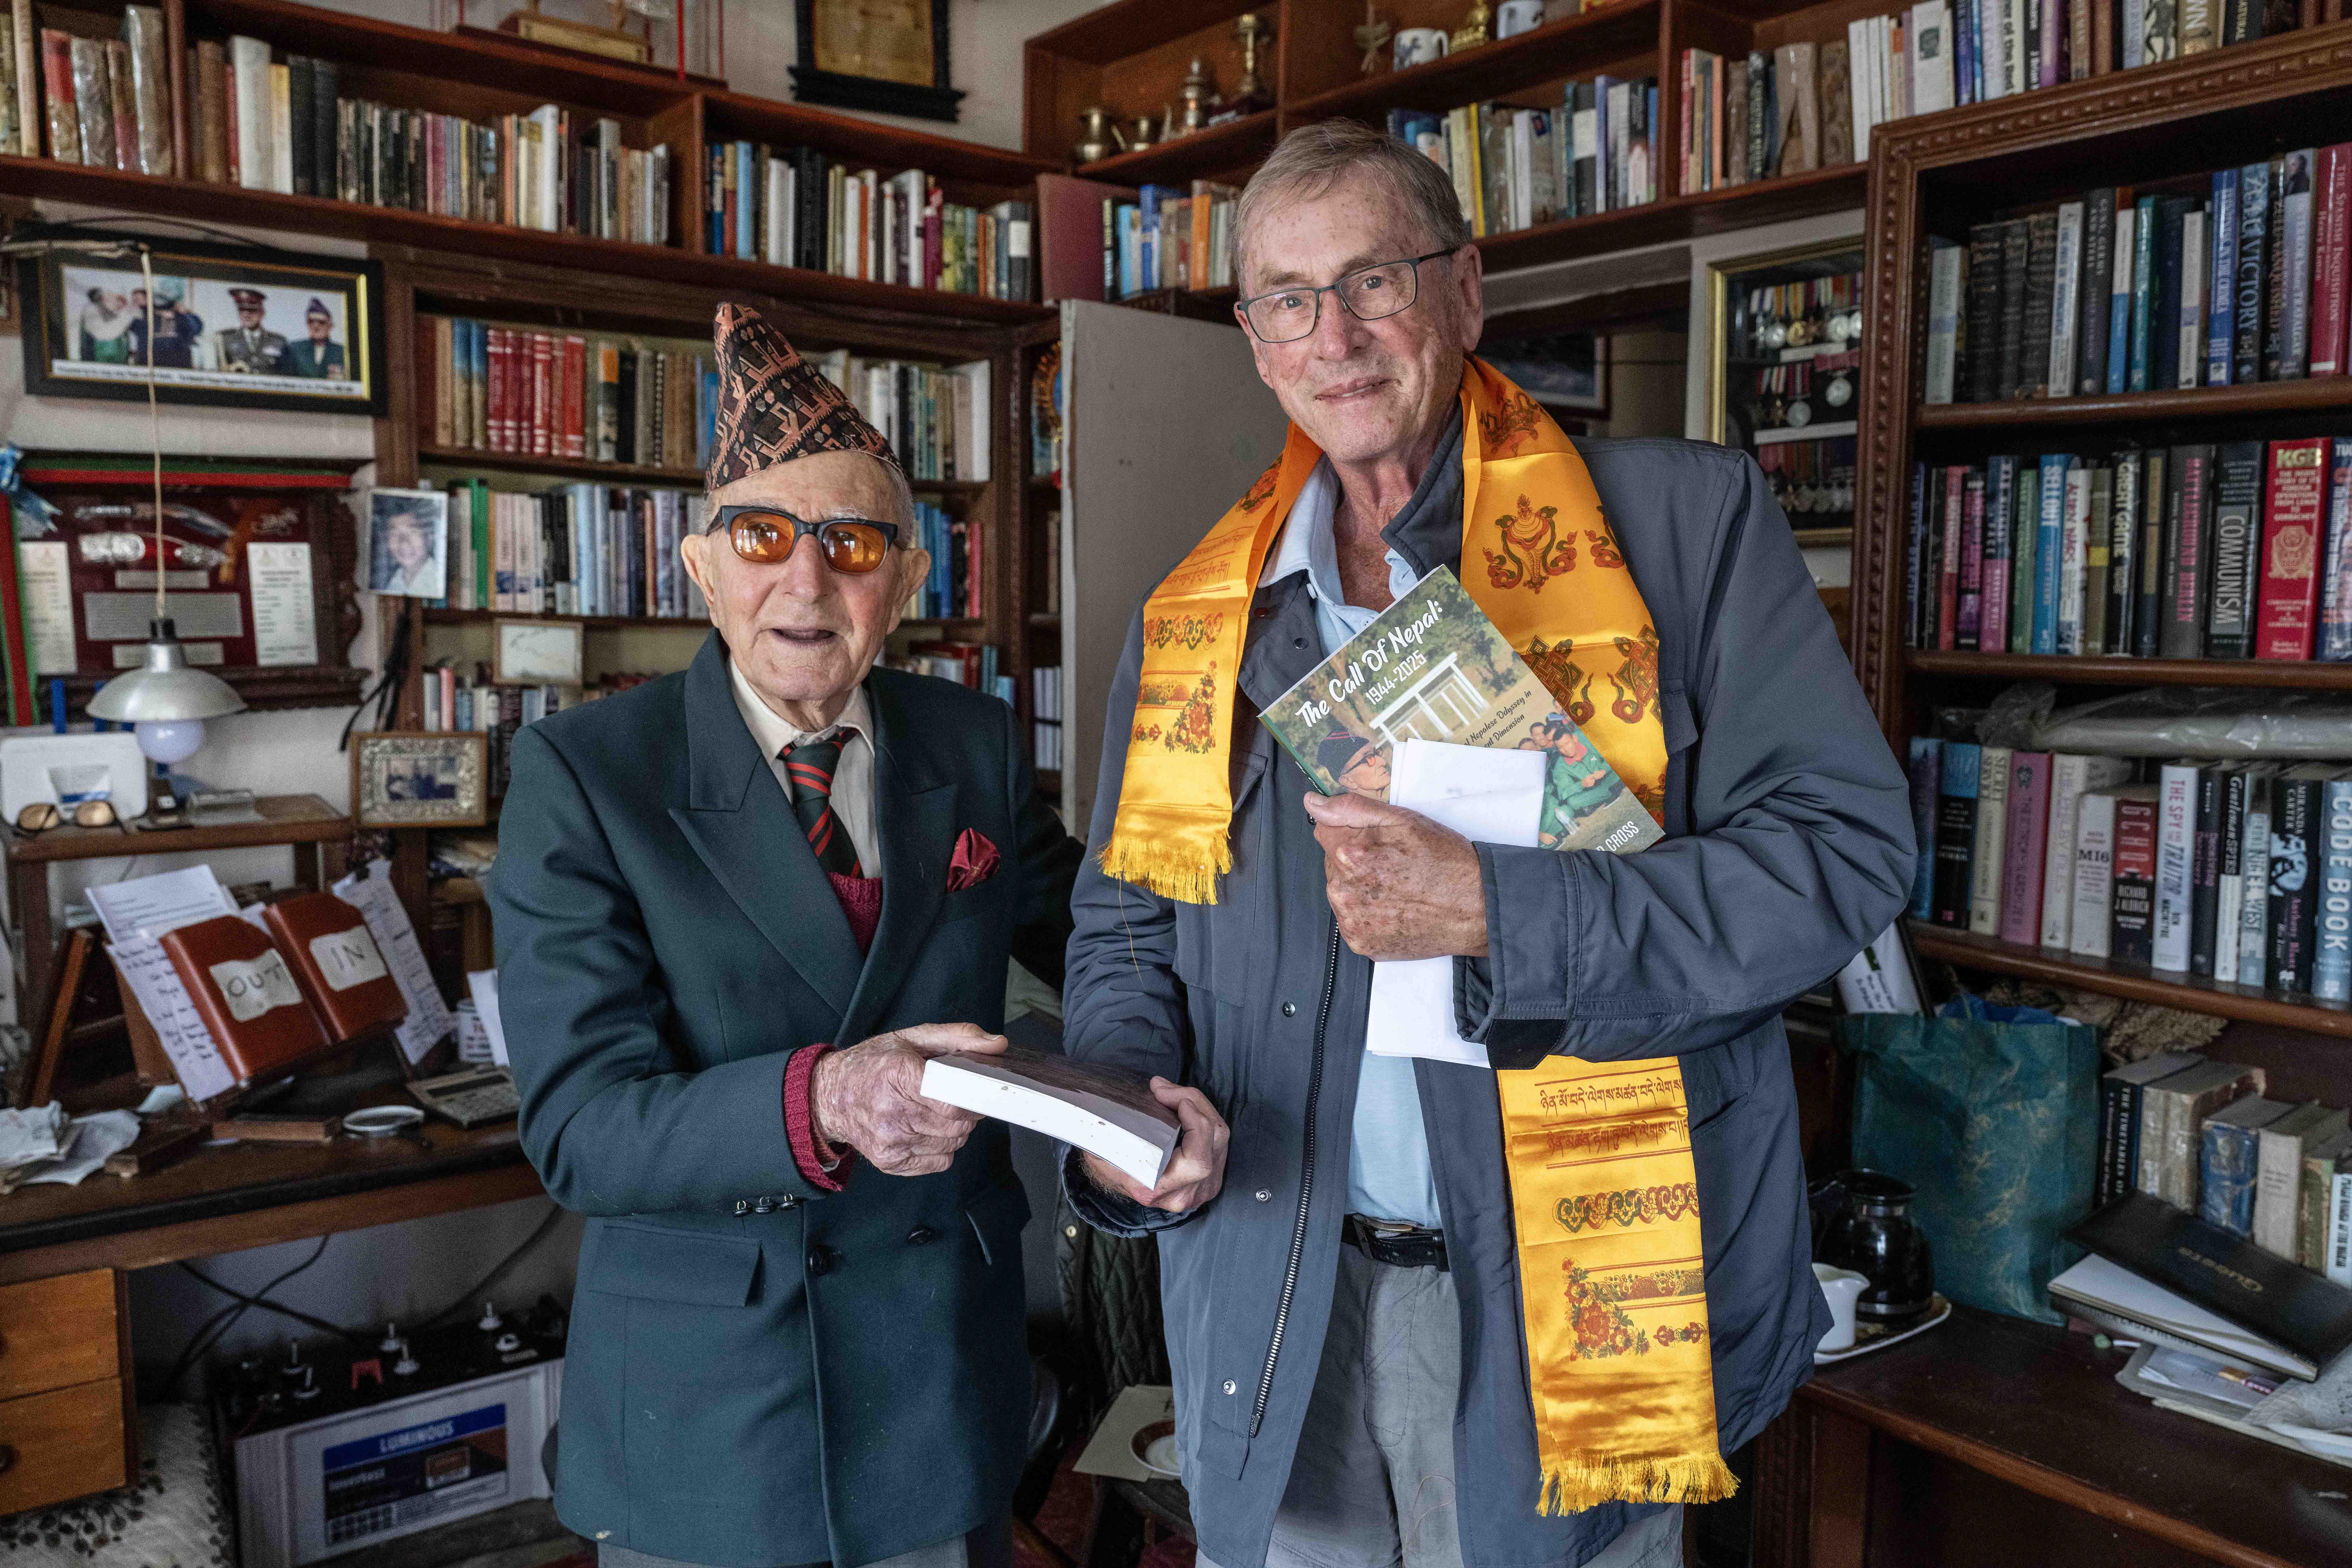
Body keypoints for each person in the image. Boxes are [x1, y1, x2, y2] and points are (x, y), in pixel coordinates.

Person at [1061, 121, 1912, 1568]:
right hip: (1278, 1297)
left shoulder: (1678, 524)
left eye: (1373, 278)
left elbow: (1842, 853)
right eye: (1286, 296)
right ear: (1255, 341)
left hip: (1560, 1309)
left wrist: (1500, 910)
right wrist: (1132, 1118)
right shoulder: (1205, 608)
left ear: (1464, 290)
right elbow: (1127, 924)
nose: (1333, 335)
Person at [489, 303, 1082, 1568]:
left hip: (940, 1371)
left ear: (912, 579)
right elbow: (581, 1129)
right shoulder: (585, 773)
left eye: (853, 541)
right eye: (764, 536)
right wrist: (830, 1099)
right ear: (701, 567)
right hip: (718, 1403)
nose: (806, 581)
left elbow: (1103, 940)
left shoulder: (971, 744)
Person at [371, 500, 443, 597]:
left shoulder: (438, 581)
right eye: (394, 534)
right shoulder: (392, 583)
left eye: (413, 533)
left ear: (429, 538)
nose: (404, 543)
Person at [214, 286, 290, 373]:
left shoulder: (279, 342)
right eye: (242, 310)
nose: (246, 315)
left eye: (251, 310)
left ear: (262, 313)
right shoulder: (225, 339)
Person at [127, 281, 202, 368]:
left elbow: (197, 329)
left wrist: (184, 313)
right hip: (149, 371)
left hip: (179, 372)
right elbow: (121, 323)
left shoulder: (183, 318)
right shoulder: (142, 316)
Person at [284, 298, 346, 378]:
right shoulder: (294, 349)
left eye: (321, 322)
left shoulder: (342, 353)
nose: (316, 326)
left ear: (331, 326)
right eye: (311, 322)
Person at [77, 287, 133, 364]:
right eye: (103, 296)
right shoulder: (93, 310)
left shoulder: (109, 312)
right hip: (103, 353)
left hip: (118, 353)